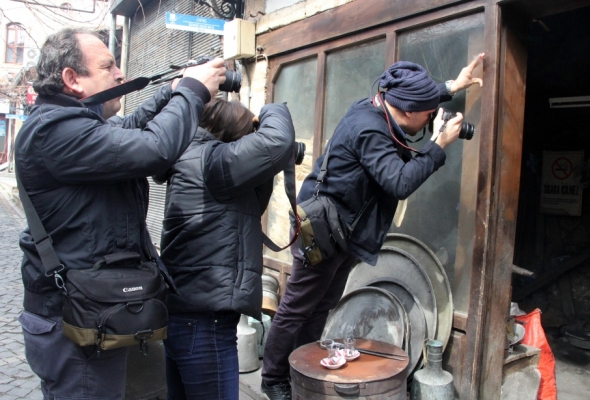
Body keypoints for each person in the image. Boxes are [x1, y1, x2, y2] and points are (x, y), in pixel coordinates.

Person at [15, 28, 226, 400]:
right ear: (72, 79)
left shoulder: (72, 124)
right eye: (107, 66)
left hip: (96, 309)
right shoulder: (54, 130)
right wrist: (192, 92)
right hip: (73, 321)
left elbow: (127, 129)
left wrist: (172, 91)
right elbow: (155, 148)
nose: (120, 75)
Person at [260, 55, 486, 400]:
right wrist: (438, 145)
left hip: (346, 231)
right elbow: (399, 182)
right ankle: (273, 379)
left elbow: (413, 100)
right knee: (296, 307)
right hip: (323, 232)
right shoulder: (370, 128)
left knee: (321, 306)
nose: (430, 119)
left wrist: (452, 86)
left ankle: (301, 370)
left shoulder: (384, 104)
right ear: (408, 111)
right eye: (427, 113)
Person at [154, 98, 295, 399]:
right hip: (205, 322)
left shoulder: (192, 159)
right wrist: (270, 110)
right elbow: (279, 141)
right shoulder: (214, 161)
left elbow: (250, 207)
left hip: (186, 314)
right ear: (234, 138)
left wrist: (265, 169)